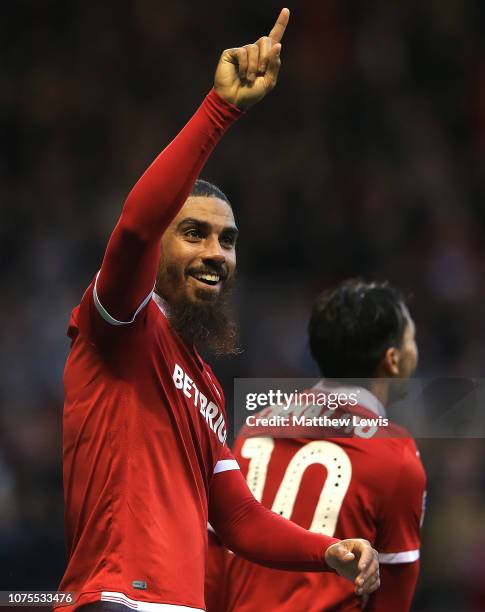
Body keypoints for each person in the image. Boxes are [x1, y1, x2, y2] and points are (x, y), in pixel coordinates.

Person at [57, 10, 380, 612]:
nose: (217, 254)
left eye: (228, 240)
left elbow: (235, 515)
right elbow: (133, 229)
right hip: (116, 599)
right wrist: (219, 110)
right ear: (162, 246)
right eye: (195, 234)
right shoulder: (122, 324)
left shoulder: (203, 382)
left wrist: (324, 550)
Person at [210, 279, 426, 611]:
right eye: (412, 339)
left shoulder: (256, 426)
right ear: (393, 360)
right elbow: (393, 595)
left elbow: (214, 555)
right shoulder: (396, 454)